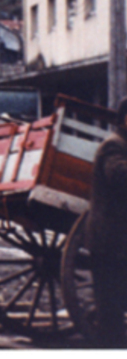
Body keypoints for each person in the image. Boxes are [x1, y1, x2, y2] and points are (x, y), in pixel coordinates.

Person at [86, 96, 127, 347]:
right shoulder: (114, 146)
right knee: (110, 312)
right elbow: (120, 176)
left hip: (117, 242)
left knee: (113, 304)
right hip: (109, 242)